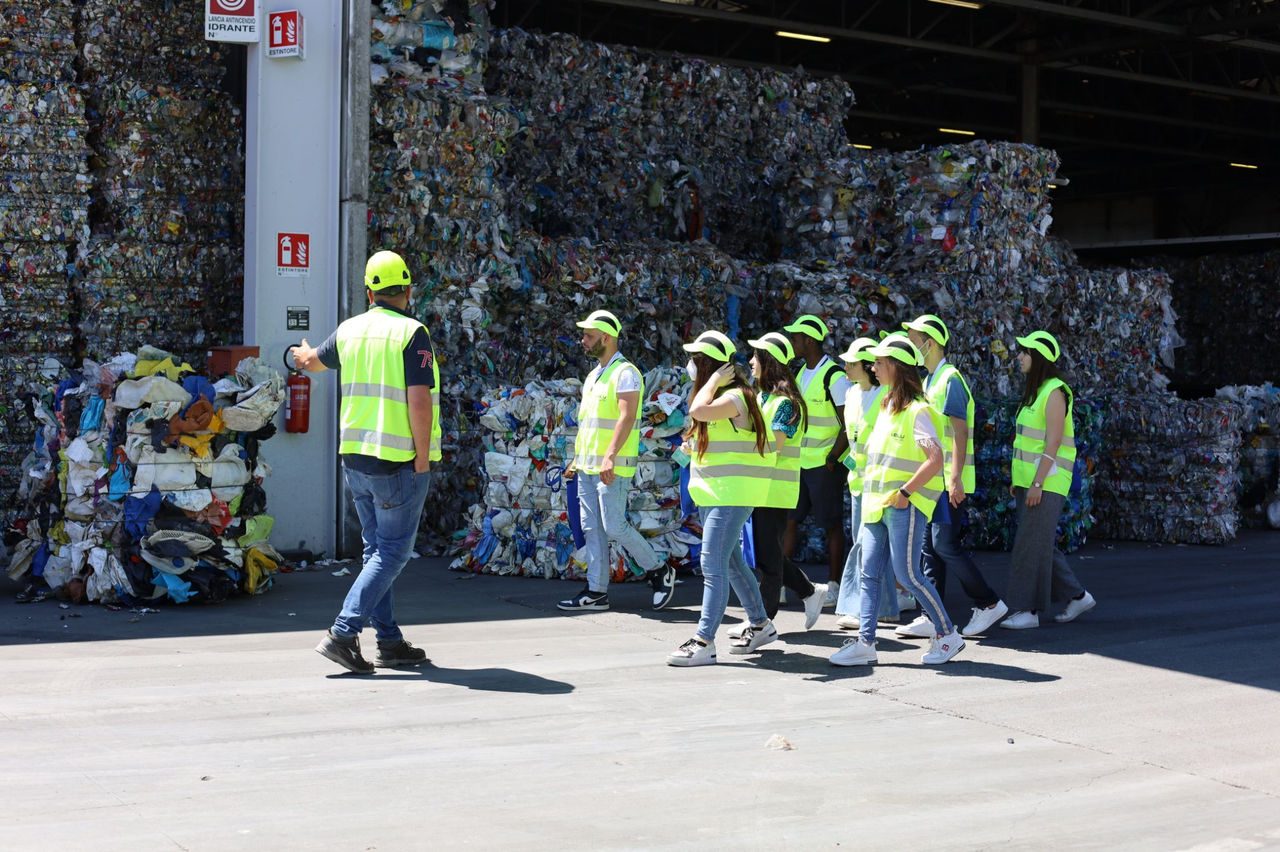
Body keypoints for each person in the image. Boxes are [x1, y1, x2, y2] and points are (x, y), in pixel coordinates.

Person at [292, 250, 438, 674]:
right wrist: (424, 458)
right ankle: (342, 632)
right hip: (397, 460)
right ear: (408, 290)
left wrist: (300, 353)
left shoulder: (348, 331)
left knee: (376, 551)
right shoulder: (413, 334)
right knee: (392, 553)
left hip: (355, 458)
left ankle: (389, 642)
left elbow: (311, 362)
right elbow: (419, 401)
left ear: (369, 291)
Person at [829, 333, 965, 667]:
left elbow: (935, 459)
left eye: (878, 363)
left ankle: (947, 634)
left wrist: (905, 493)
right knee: (869, 572)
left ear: (895, 367)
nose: (873, 368)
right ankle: (866, 642)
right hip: (878, 504)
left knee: (908, 575)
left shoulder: (918, 410)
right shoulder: (888, 405)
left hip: (903, 504)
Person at [667, 331, 779, 667]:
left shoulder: (736, 398)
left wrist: (714, 378)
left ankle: (704, 640)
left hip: (732, 495)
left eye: (696, 359)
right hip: (716, 494)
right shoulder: (722, 397)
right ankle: (760, 624)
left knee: (711, 564)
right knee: (731, 564)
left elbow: (698, 410)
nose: (690, 365)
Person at [558, 309, 674, 612]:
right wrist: (576, 460)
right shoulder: (595, 375)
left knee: (614, 527)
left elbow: (626, 416)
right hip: (587, 467)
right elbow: (590, 424)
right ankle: (596, 591)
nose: (583, 341)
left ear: (606, 337)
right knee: (592, 529)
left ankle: (659, 569)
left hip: (612, 466)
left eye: (589, 335)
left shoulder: (626, 373)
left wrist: (609, 456)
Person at [900, 314, 1008, 638]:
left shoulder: (950, 380)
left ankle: (988, 603)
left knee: (944, 545)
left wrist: (956, 478)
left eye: (914, 338)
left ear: (929, 343)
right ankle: (930, 616)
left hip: (949, 480)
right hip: (937, 481)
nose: (911, 344)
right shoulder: (931, 379)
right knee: (929, 547)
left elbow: (959, 432)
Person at [1002, 331, 1097, 629]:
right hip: (1030, 481)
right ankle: (1077, 596)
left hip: (1047, 482)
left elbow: (1053, 442)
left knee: (1029, 545)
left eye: (1024, 352)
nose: (1019, 357)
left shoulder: (1055, 391)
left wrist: (1038, 483)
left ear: (1038, 357)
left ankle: (1027, 611)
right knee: (1039, 543)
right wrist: (1020, 480)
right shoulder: (1037, 391)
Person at [743, 332, 825, 630]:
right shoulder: (764, 397)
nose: (751, 362)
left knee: (767, 560)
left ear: (769, 361)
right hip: (758, 488)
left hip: (775, 490)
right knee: (768, 553)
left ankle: (762, 621)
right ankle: (808, 591)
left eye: (756, 357)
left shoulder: (787, 403)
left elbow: (773, 446)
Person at [781, 314, 851, 607]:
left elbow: (849, 422)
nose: (793, 342)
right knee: (790, 520)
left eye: (796, 338)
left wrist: (834, 457)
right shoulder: (801, 373)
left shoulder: (834, 376)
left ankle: (834, 586)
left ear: (809, 340)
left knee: (831, 524)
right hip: (801, 461)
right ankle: (781, 582)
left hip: (825, 463)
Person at [832, 336, 899, 630]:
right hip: (859, 481)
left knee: (866, 544)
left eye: (851, 362)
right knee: (871, 545)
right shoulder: (852, 395)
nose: (846, 366)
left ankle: (858, 607)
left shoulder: (889, 395)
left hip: (882, 483)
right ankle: (884, 608)